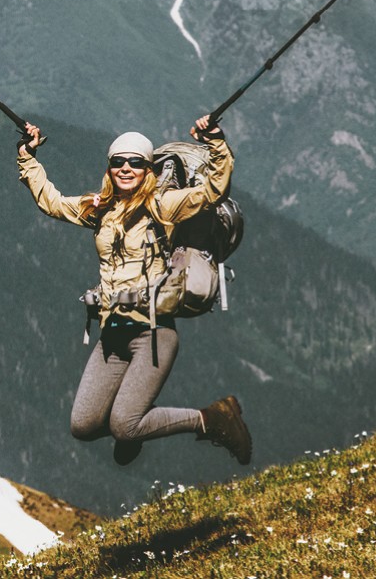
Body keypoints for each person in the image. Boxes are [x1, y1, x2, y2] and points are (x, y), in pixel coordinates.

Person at [16, 115, 251, 467]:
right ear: (109, 168)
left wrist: (215, 140)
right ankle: (134, 427)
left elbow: (213, 190)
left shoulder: (163, 206)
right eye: (118, 162)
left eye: (136, 162)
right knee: (83, 425)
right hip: (111, 335)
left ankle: (214, 418)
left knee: (124, 427)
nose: (126, 168)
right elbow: (54, 202)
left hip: (152, 334)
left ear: (148, 168)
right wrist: (27, 157)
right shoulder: (100, 208)